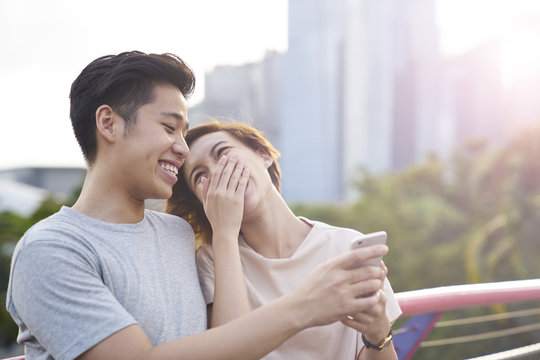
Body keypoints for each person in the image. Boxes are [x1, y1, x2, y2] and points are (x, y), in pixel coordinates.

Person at [6, 51, 393, 360]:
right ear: (108, 123)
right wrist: (309, 304)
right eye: (169, 127)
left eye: (184, 133)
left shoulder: (178, 235)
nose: (182, 148)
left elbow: (230, 342)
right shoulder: (51, 249)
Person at [166, 121, 402, 360]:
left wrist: (379, 333)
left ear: (263, 156)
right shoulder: (213, 260)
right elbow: (231, 352)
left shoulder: (347, 246)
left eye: (223, 153)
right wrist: (224, 233)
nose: (219, 173)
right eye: (200, 176)